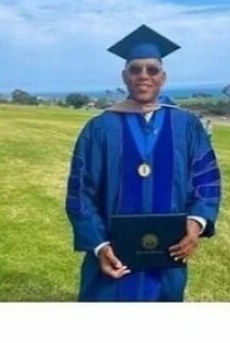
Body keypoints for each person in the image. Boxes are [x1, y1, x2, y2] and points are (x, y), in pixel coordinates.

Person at [66, 25, 222, 302]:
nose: (143, 76)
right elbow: (80, 193)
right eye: (135, 69)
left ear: (163, 77)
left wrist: (196, 223)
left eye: (152, 70)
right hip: (112, 258)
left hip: (167, 259)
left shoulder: (187, 125)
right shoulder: (100, 128)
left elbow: (206, 182)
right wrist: (100, 246)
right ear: (124, 76)